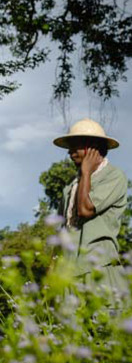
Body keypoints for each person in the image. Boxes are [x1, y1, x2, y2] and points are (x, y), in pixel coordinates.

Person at [54, 118, 129, 302]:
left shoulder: (114, 176)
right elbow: (60, 235)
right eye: (69, 148)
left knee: (101, 327)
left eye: (75, 147)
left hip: (98, 270)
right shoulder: (71, 187)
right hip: (69, 272)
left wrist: (86, 172)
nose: (70, 153)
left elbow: (86, 209)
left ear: (92, 148)